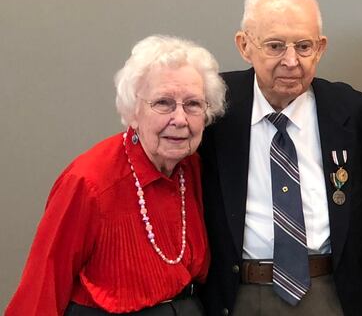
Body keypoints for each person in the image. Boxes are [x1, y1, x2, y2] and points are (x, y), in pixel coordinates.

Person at [198, 0, 362, 315]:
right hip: (239, 296)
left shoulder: (356, 115)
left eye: (304, 46)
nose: (291, 61)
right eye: (275, 46)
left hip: (328, 294)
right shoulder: (210, 110)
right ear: (244, 46)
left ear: (321, 48)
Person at [6, 35, 226, 315]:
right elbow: (42, 287)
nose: (180, 119)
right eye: (163, 103)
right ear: (133, 110)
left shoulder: (193, 167)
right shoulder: (90, 182)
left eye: (193, 104)